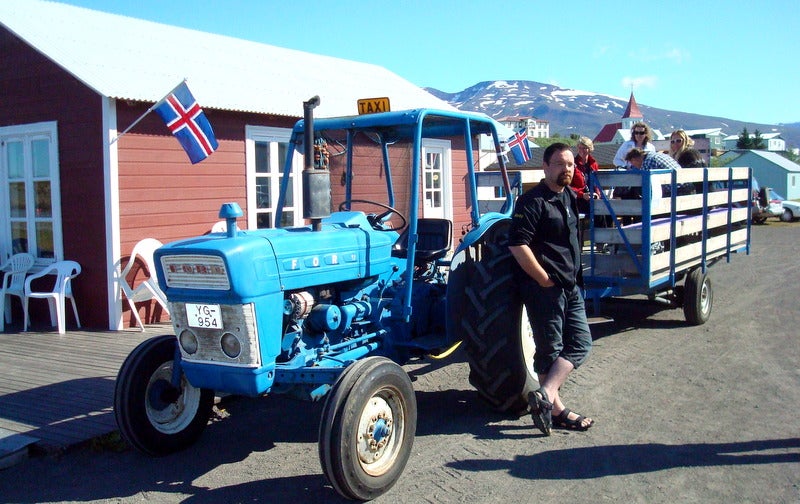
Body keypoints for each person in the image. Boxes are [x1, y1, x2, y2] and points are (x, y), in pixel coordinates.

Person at [508, 142, 594, 435]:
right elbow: (517, 244)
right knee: (549, 350)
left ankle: (544, 394)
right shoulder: (532, 202)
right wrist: (543, 278)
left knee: (581, 342)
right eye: (560, 164)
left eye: (570, 164)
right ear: (545, 167)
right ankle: (555, 410)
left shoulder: (569, 196)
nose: (566, 169)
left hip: (570, 286)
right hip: (544, 288)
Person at [570, 136, 601, 215]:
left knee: (606, 207)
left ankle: (607, 227)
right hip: (578, 198)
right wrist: (582, 195)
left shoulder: (594, 164)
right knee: (596, 209)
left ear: (589, 149)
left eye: (584, 148)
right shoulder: (573, 164)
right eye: (580, 148)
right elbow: (568, 187)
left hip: (592, 197)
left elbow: (596, 183)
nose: (582, 150)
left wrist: (597, 194)